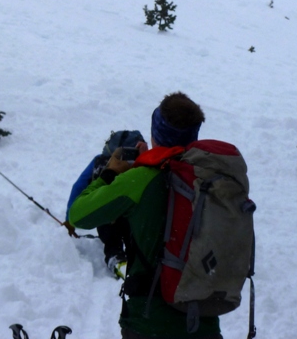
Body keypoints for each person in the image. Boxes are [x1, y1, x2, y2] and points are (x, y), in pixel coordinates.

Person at [68, 92, 221, 339]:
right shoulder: (212, 179)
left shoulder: (139, 179)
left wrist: (110, 174)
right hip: (203, 323)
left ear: (155, 134)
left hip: (150, 322)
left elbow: (79, 214)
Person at [65, 129, 147, 275]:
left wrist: (69, 221)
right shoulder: (141, 165)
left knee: (111, 242)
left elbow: (78, 186)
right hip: (132, 216)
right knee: (134, 241)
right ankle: (137, 262)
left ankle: (117, 261)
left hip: (105, 216)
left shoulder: (99, 161)